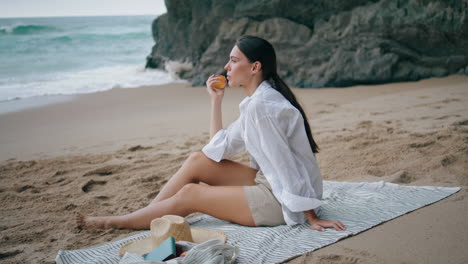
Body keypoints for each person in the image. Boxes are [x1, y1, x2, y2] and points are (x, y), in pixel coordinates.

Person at [78, 35, 345, 232]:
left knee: (189, 195)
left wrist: (310, 217)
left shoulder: (262, 107)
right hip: (270, 183)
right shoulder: (258, 101)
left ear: (255, 67)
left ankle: (118, 222)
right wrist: (215, 101)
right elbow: (218, 149)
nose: (226, 67)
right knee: (197, 160)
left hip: (283, 203)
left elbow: (285, 165)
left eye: (233, 60)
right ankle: (148, 216)